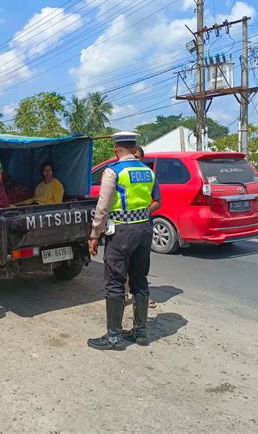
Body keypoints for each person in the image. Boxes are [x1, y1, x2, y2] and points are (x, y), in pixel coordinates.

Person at [87, 132, 161, 350]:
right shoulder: (148, 171)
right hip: (145, 229)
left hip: (121, 232)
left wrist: (94, 233)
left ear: (116, 149)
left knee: (115, 281)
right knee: (139, 278)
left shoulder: (113, 171)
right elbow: (156, 200)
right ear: (135, 147)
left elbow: (103, 206)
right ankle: (140, 332)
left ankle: (114, 336)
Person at [132, 146, 158, 309]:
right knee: (124, 265)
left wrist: (144, 212)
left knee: (140, 266)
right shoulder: (121, 175)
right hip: (124, 228)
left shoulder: (149, 176)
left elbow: (158, 201)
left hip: (144, 226)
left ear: (142, 159)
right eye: (132, 157)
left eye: (137, 157)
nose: (135, 160)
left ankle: (142, 296)